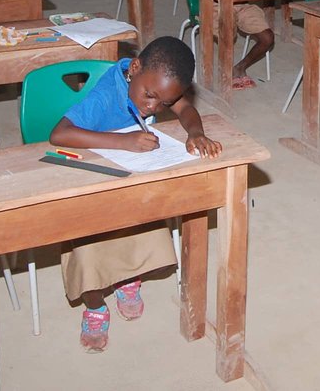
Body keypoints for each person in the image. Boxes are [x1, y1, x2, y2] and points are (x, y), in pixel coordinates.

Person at [50, 37, 222, 352]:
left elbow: (186, 108)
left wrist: (196, 132)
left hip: (130, 176)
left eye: (162, 103)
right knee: (89, 245)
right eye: (149, 96)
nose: (152, 107)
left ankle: (128, 278)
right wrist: (124, 142)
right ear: (135, 68)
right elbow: (59, 134)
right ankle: (95, 304)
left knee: (145, 221)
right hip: (93, 175)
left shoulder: (154, 83)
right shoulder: (106, 93)